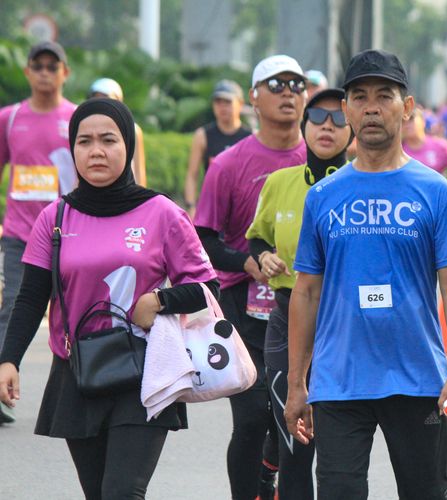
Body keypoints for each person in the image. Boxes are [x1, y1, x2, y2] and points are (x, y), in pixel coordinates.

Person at [0, 98, 219, 498]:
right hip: (79, 372)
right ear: (73, 149)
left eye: (108, 140)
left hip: (147, 371)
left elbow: (207, 288)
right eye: (84, 141)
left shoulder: (162, 213)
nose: (96, 151)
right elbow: (31, 298)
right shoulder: (55, 218)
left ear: (128, 146)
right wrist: (8, 359)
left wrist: (160, 301)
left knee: (122, 492)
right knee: (99, 493)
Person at [285, 49, 447, 500]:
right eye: (360, 97)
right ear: (347, 109)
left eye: (384, 96)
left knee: (427, 493)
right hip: (338, 381)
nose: (371, 107)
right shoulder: (323, 196)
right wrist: (296, 385)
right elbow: (306, 292)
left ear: (406, 107)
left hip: (417, 378)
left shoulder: (436, 191)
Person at [192, 54, 307, 500]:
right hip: (243, 308)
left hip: (306, 306)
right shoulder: (228, 164)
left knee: (294, 415)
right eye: (275, 85)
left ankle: (268, 477)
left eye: (296, 85)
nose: (287, 93)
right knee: (253, 417)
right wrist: (247, 262)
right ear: (254, 98)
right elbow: (204, 238)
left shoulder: (321, 159)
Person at [246, 87, 352, 500]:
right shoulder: (280, 182)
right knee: (295, 441)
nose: (328, 126)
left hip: (345, 325)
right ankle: (270, 476)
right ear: (304, 126)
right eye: (318, 118)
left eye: (339, 119)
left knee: (338, 448)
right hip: (288, 317)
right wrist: (265, 256)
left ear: (353, 129)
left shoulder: (363, 186)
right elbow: (257, 237)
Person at [0, 41, 77, 425]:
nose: (45, 72)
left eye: (52, 65)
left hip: (69, 234)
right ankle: (2, 385)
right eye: (38, 65)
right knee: (13, 306)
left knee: (77, 312)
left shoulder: (77, 118)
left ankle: (86, 387)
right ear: (28, 71)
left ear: (65, 72)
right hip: (18, 235)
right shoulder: (9, 118)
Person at [184, 79, 252, 218]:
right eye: (218, 102)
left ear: (240, 104)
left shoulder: (250, 138)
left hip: (242, 210)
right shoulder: (202, 135)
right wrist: (191, 206)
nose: (222, 107)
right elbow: (192, 175)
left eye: (227, 102)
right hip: (211, 209)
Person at [88, 77, 148, 186]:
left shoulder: (133, 129)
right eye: (96, 100)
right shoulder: (86, 129)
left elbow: (139, 170)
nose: (101, 105)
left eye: (107, 100)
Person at [402, 107, 447, 190]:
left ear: (423, 122)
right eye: (403, 121)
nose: (407, 124)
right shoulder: (396, 150)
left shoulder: (440, 146)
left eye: (411, 119)